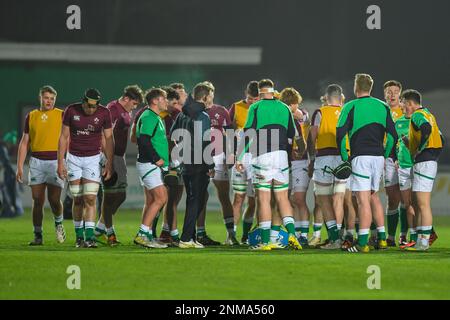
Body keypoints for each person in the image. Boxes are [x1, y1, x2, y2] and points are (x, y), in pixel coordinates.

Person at [236, 79, 302, 251]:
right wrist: (300, 149)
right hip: (281, 156)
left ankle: (265, 242)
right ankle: (293, 235)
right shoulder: (284, 107)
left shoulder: (255, 107)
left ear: (259, 92)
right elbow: (292, 134)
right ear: (273, 91)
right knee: (282, 198)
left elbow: (248, 132)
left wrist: (240, 157)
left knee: (263, 199)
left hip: (262, 155)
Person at [336, 74, 397, 253]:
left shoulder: (350, 106)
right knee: (373, 196)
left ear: (356, 87)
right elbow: (393, 136)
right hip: (378, 158)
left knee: (362, 201)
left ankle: (362, 243)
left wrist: (344, 158)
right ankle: (383, 239)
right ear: (370, 87)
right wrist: (384, 155)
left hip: (360, 158)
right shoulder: (383, 106)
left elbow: (340, 135)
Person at [57, 88, 114, 248]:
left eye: (94, 107)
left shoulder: (104, 113)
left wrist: (109, 162)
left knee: (90, 198)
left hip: (93, 159)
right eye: (89, 106)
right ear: (83, 102)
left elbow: (109, 138)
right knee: (78, 199)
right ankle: (79, 236)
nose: (91, 109)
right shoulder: (71, 110)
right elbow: (63, 137)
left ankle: (89, 237)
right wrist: (60, 162)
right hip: (73, 159)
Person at [94, 85, 144, 246]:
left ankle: (99, 228)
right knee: (109, 196)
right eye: (134, 103)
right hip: (111, 157)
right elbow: (104, 135)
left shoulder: (126, 111)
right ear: (127, 98)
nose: (134, 107)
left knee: (120, 195)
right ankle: (110, 233)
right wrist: (107, 160)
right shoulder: (113, 109)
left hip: (119, 157)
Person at [16, 86, 65, 244]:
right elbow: (24, 142)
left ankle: (58, 224)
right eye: (46, 98)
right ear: (40, 98)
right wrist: (19, 166)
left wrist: (63, 161)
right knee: (37, 199)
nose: (49, 101)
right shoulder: (31, 116)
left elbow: (67, 139)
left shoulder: (61, 115)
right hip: (37, 161)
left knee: (54, 200)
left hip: (55, 161)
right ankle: (38, 236)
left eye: (52, 98)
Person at [171, 83, 215, 248]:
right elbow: (204, 141)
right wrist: (210, 164)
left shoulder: (182, 114)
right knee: (197, 200)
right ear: (204, 97)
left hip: (186, 162)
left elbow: (173, 134)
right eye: (210, 96)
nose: (212, 99)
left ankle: (191, 237)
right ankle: (186, 238)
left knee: (193, 199)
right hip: (199, 163)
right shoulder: (202, 115)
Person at [401, 89, 443, 251]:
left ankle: (424, 242)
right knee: (418, 203)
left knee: (423, 204)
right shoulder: (428, 114)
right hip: (428, 160)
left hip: (425, 161)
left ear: (410, 103)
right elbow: (441, 138)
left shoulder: (418, 115)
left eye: (404, 103)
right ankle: (421, 240)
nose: (403, 107)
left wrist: (420, 149)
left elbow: (426, 130)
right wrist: (412, 144)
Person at [308, 84, 348, 249]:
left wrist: (311, 158)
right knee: (338, 198)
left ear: (326, 97)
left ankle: (334, 238)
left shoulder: (320, 112)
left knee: (323, 199)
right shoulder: (347, 111)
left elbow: (312, 136)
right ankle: (338, 235)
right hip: (343, 157)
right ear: (341, 97)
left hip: (324, 157)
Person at [199, 81, 237, 246]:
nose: (210, 98)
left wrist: (230, 157)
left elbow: (229, 135)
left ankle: (231, 234)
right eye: (208, 94)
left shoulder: (221, 111)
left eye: (211, 94)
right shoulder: (195, 112)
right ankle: (200, 233)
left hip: (220, 158)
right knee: (201, 196)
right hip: (200, 158)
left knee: (224, 195)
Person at [133, 88, 170, 249]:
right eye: (164, 98)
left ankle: (146, 235)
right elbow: (143, 140)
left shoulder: (153, 116)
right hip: (150, 164)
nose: (166, 101)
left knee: (151, 201)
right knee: (162, 198)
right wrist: (156, 158)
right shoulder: (149, 116)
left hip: (149, 164)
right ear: (155, 101)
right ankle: (142, 234)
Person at [228, 81, 259, 244]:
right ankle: (231, 235)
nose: (252, 102)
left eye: (255, 99)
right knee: (238, 197)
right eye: (249, 98)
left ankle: (246, 235)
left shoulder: (264, 108)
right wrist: (232, 153)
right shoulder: (236, 107)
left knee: (253, 200)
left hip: (257, 157)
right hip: (240, 156)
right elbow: (229, 131)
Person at [279, 88, 309, 247]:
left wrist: (301, 150)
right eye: (294, 104)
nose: (297, 107)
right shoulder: (282, 115)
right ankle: (294, 233)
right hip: (285, 161)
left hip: (300, 162)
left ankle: (303, 235)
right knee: (287, 199)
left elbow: (304, 117)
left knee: (299, 199)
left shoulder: (299, 114)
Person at [158, 86, 183, 246]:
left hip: (168, 161)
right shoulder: (164, 118)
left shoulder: (170, 116)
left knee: (166, 200)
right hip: (167, 162)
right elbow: (170, 141)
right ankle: (172, 235)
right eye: (173, 102)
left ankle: (164, 232)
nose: (175, 105)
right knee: (170, 199)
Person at [382, 80, 406, 247]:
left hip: (403, 158)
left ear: (400, 94)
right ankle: (390, 236)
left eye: (395, 91)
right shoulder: (381, 110)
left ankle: (403, 235)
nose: (392, 95)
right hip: (386, 157)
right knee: (392, 198)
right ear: (384, 94)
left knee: (406, 198)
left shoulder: (405, 111)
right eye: (389, 92)